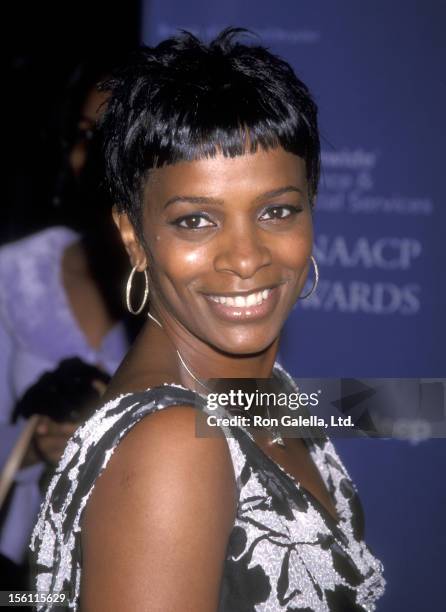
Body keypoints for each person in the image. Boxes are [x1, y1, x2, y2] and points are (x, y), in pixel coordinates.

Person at [31, 29, 386, 611]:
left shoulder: (254, 390)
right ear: (133, 236)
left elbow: (393, 407)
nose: (246, 258)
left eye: (277, 210)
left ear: (311, 209)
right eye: (196, 221)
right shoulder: (172, 447)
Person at [0, 61, 129, 573]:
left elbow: (350, 410)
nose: (99, 158)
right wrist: (33, 446)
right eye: (86, 136)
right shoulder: (15, 273)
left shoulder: (201, 285)